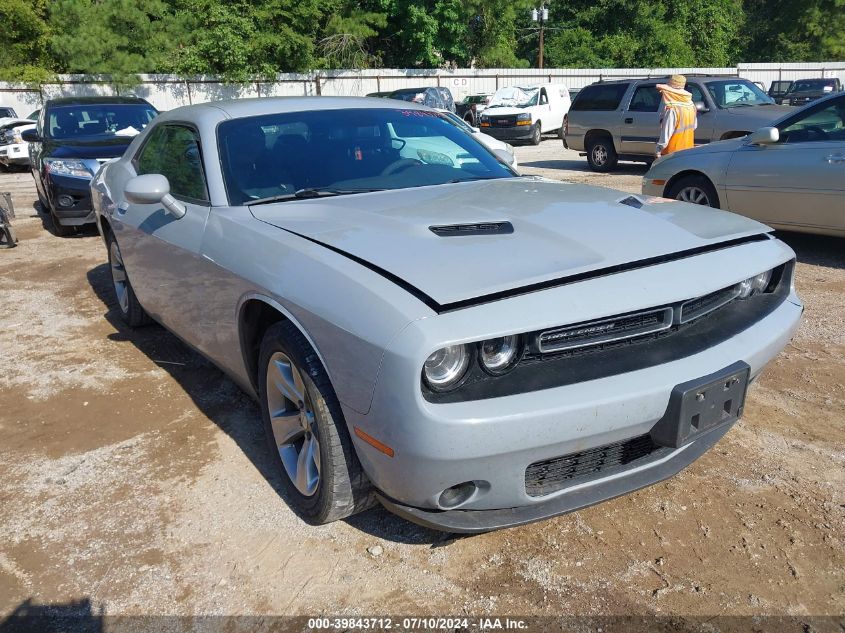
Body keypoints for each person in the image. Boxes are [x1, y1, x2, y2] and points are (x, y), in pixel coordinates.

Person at [655, 74, 697, 158]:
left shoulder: (672, 109)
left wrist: (658, 150)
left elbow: (666, 133)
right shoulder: (691, 106)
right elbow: (694, 126)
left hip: (671, 152)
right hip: (688, 150)